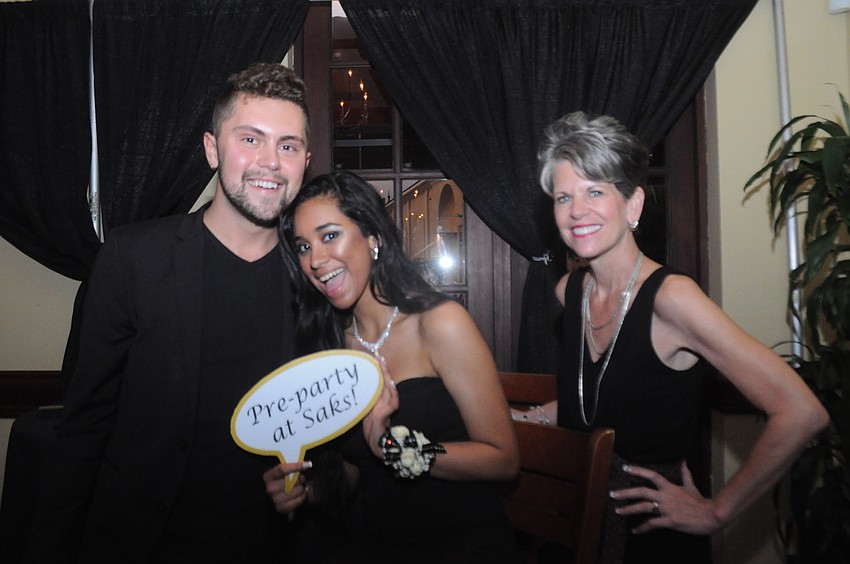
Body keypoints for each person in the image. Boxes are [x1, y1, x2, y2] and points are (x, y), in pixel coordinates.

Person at [27, 62, 313, 563]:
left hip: (269, 545)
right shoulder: (131, 259)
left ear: (305, 161)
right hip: (140, 543)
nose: (270, 161)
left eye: (287, 146)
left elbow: (328, 432)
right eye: (250, 139)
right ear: (211, 149)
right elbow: (84, 427)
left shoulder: (317, 278)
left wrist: (313, 488)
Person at [520, 111, 829, 563]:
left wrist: (717, 512)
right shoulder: (572, 293)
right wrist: (521, 421)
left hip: (653, 534)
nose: (576, 210)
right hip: (577, 522)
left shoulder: (672, 299)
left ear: (633, 206)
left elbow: (801, 410)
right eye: (564, 196)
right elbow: (598, 401)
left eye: (595, 192)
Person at [263, 171, 520, 563]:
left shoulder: (439, 323)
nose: (315, 260)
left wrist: (396, 450)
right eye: (302, 246)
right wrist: (306, 492)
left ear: (373, 238)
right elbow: (354, 467)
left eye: (330, 235)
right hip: (374, 545)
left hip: (461, 544)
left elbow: (503, 459)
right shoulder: (332, 347)